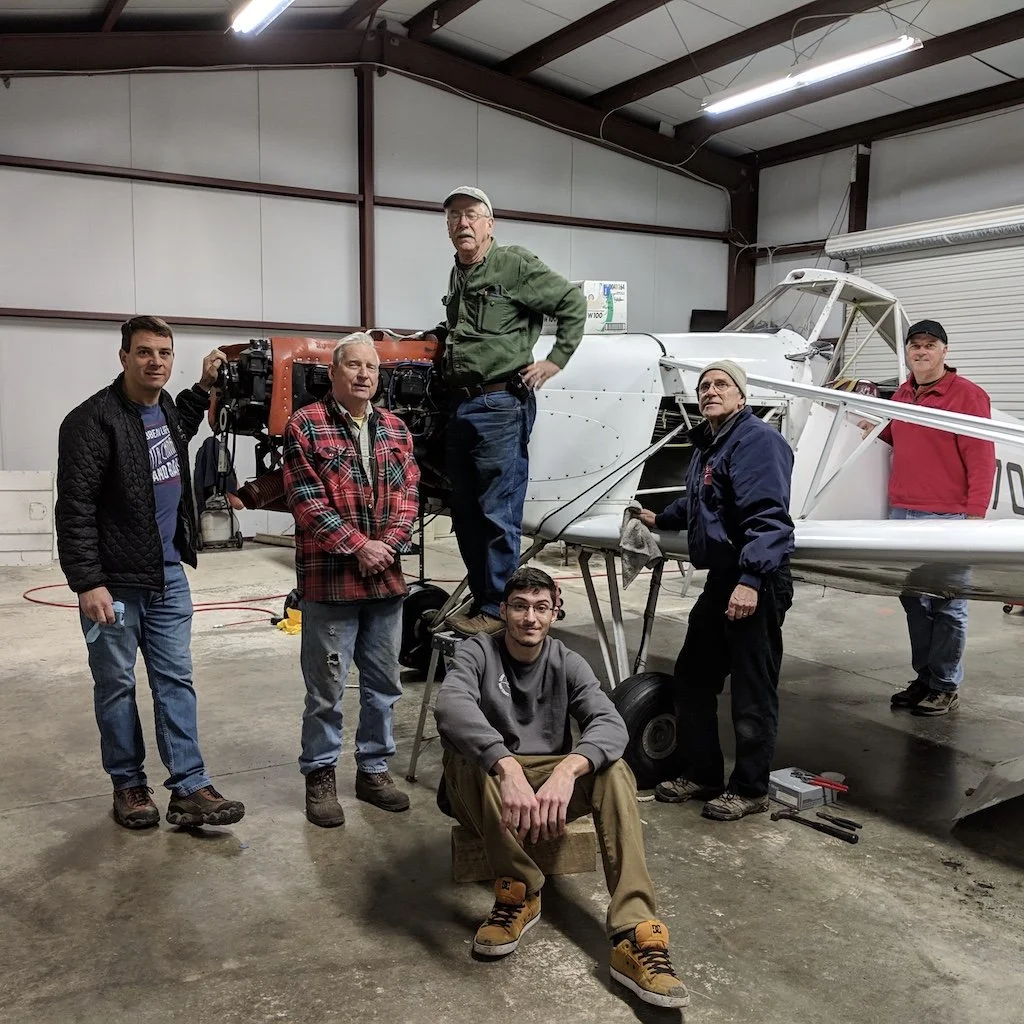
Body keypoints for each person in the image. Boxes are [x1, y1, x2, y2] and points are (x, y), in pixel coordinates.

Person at [434, 566, 689, 1009]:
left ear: (554, 611)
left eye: (540, 607)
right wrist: (506, 766)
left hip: (547, 781)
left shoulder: (566, 660)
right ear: (503, 610)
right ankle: (519, 891)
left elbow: (609, 722)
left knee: (614, 770)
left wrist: (568, 771)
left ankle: (636, 932)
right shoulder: (478, 651)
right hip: (486, 786)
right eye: (519, 606)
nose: (530, 618)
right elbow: (451, 705)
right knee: (468, 756)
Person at [55, 315, 245, 830]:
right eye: (144, 352)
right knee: (116, 685)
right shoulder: (90, 421)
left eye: (164, 352)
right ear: (123, 357)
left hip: (167, 577)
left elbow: (182, 421)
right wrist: (87, 582)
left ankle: (189, 786)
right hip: (113, 583)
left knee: (176, 681)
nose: (155, 361)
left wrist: (205, 385)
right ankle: (129, 785)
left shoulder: (164, 408)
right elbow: (74, 509)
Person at [636, 359, 795, 822]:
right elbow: (703, 501)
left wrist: (751, 581)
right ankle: (703, 773)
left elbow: (768, 517)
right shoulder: (713, 445)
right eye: (704, 386)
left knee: (751, 689)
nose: (710, 391)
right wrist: (662, 517)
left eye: (721, 384)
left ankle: (749, 789)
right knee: (693, 677)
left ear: (742, 396)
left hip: (754, 580)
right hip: (724, 578)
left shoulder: (757, 441)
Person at [428, 186, 587, 637]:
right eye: (455, 216)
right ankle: (486, 603)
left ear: (489, 224)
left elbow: (572, 304)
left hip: (500, 402)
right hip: (461, 403)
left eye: (472, 215)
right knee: (464, 513)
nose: (463, 223)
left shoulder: (513, 263)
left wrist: (556, 359)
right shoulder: (458, 272)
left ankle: (498, 611)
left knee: (497, 512)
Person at [282, 333, 420, 826]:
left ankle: (373, 769)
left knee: (384, 686)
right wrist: (359, 546)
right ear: (334, 373)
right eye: (354, 366)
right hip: (331, 584)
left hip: (385, 584)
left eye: (372, 368)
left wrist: (389, 545)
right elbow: (306, 501)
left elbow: (409, 496)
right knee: (326, 691)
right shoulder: (306, 425)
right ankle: (320, 775)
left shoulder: (396, 429)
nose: (365, 375)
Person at [876, 320, 995, 716]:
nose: (922, 351)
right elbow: (896, 434)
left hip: (948, 514)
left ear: (944, 351)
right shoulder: (903, 393)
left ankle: (945, 684)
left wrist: (975, 514)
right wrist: (864, 427)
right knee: (914, 600)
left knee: (948, 604)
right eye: (915, 346)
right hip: (903, 510)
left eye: (930, 345)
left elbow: (981, 456)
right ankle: (925, 677)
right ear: (907, 353)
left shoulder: (968, 395)